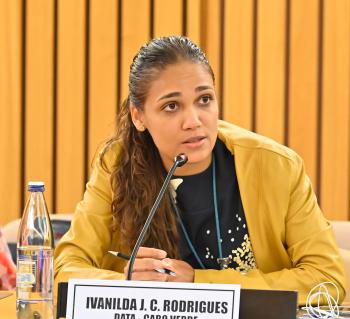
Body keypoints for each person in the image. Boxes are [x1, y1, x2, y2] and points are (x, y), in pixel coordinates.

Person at [54, 36, 346, 305]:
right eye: (171, 106)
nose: (193, 121)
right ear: (139, 116)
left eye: (204, 99)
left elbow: (328, 279)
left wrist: (199, 283)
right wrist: (126, 283)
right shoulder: (117, 165)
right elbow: (64, 271)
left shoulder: (276, 165)